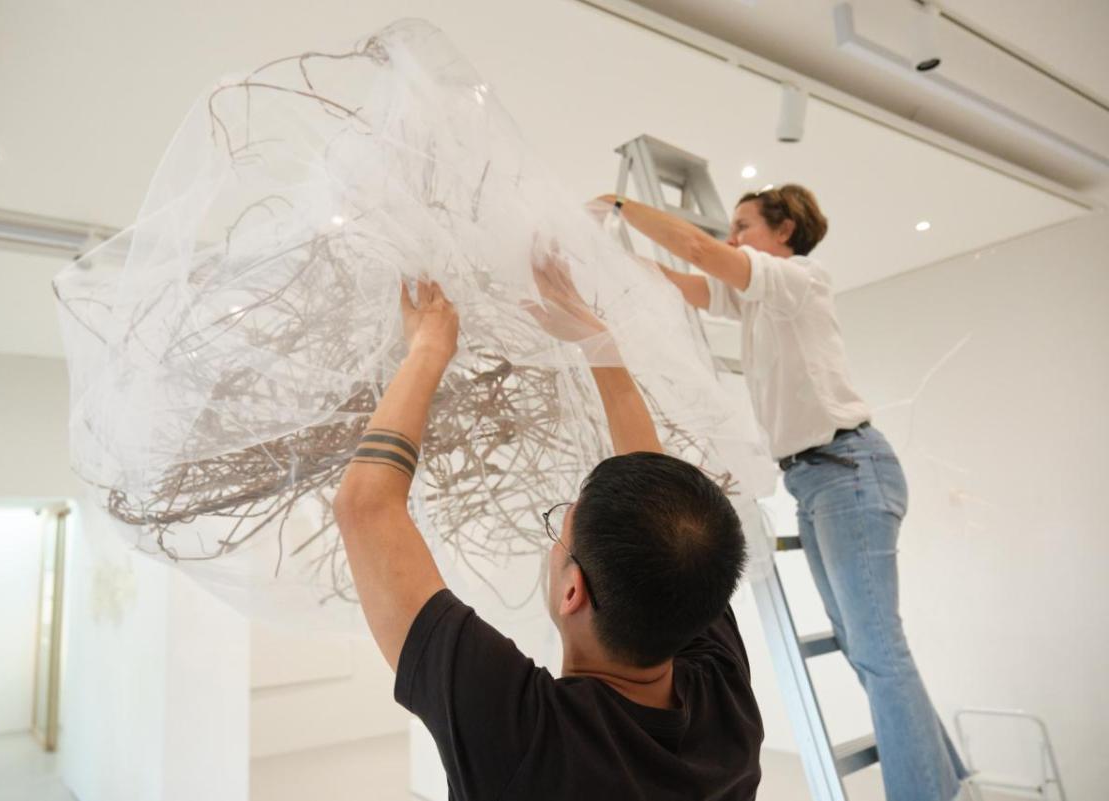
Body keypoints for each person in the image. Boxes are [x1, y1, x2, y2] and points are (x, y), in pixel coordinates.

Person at [331, 254, 763, 801]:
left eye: (560, 530)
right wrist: (596, 342)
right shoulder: (723, 702)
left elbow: (365, 507)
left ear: (572, 589)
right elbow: (661, 508)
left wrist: (429, 347)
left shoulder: (527, 738)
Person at [603, 186, 969, 800]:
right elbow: (679, 278)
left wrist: (618, 206)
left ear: (786, 230)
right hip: (817, 477)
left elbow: (696, 249)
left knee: (879, 652)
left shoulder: (799, 279)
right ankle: (944, 777)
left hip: (848, 467)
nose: (730, 238)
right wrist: (598, 256)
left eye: (743, 226)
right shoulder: (752, 300)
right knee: (865, 646)